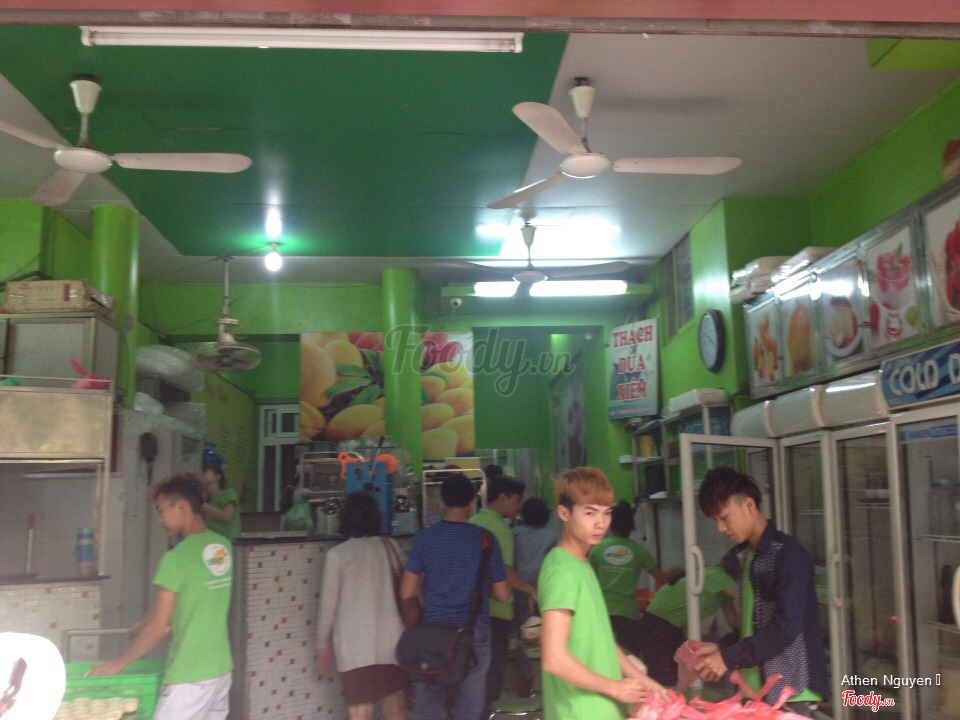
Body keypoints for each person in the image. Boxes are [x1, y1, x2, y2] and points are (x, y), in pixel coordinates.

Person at [89, 472, 234, 720]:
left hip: (190, 676)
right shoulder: (222, 547)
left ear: (182, 507)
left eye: (161, 510)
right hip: (220, 671)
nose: (159, 519)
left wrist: (117, 664)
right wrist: (145, 622)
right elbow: (195, 600)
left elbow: (158, 629)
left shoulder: (176, 559)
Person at [693, 466, 828, 715]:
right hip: (755, 691)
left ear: (748, 505)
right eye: (716, 521)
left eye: (724, 517)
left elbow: (785, 628)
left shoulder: (787, 554)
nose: (721, 528)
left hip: (789, 692)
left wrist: (728, 657)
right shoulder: (748, 556)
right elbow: (754, 626)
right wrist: (721, 647)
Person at [539, 467, 663, 720]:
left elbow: (604, 643)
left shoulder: (582, 563)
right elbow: (554, 658)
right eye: (589, 512)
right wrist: (615, 688)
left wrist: (648, 684)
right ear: (564, 513)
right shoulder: (561, 571)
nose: (601, 523)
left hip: (602, 706)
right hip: (579, 711)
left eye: (606, 512)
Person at [400, 473, 509, 720]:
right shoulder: (486, 539)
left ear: (441, 502)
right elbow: (502, 594)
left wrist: (424, 588)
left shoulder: (424, 538)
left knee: (427, 711)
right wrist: (481, 588)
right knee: (468, 712)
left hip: (433, 636)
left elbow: (406, 591)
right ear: (472, 502)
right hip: (474, 633)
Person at [315, 492, 406, 720]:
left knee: (360, 710)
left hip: (354, 647)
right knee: (395, 706)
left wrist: (322, 644)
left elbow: (328, 607)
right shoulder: (391, 547)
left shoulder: (338, 555)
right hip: (392, 642)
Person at [469, 475, 535, 712]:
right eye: (517, 500)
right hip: (497, 613)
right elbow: (505, 571)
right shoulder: (500, 528)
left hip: (473, 612)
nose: (519, 506)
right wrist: (530, 590)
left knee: (475, 677)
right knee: (493, 677)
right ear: (503, 498)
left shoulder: (473, 521)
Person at [633, 551, 738, 685]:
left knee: (675, 673)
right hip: (657, 625)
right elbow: (745, 597)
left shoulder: (720, 587)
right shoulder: (718, 575)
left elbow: (733, 621)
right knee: (664, 676)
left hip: (667, 627)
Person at [588, 500, 672, 658]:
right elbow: (660, 578)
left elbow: (590, 582)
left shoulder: (598, 549)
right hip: (628, 613)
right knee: (629, 659)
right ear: (631, 526)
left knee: (603, 658)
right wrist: (677, 571)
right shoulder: (639, 551)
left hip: (602, 612)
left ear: (610, 524)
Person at [511, 497, 559, 696]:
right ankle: (547, 679)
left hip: (521, 588)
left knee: (524, 633)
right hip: (546, 589)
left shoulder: (515, 534)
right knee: (549, 633)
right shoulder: (553, 535)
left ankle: (527, 679)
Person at [199, 454, 240, 541]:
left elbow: (227, 516)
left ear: (217, 476)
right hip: (213, 544)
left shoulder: (228, 493)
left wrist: (205, 507)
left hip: (229, 543)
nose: (201, 474)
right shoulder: (208, 499)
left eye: (205, 471)